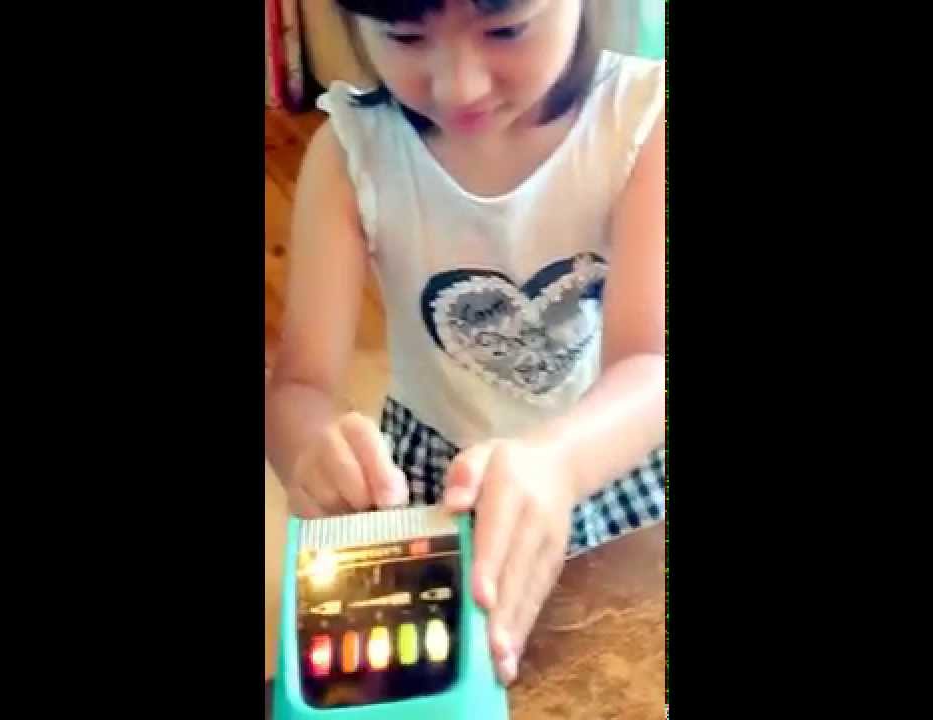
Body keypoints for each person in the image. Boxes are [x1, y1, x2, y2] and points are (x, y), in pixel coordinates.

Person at [266, 0, 665, 687]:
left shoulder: (640, 123)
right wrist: (310, 449)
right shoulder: (352, 153)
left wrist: (559, 463)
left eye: (505, 30)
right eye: (405, 37)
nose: (460, 86)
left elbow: (649, 363)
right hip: (429, 476)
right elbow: (298, 386)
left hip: (608, 454)